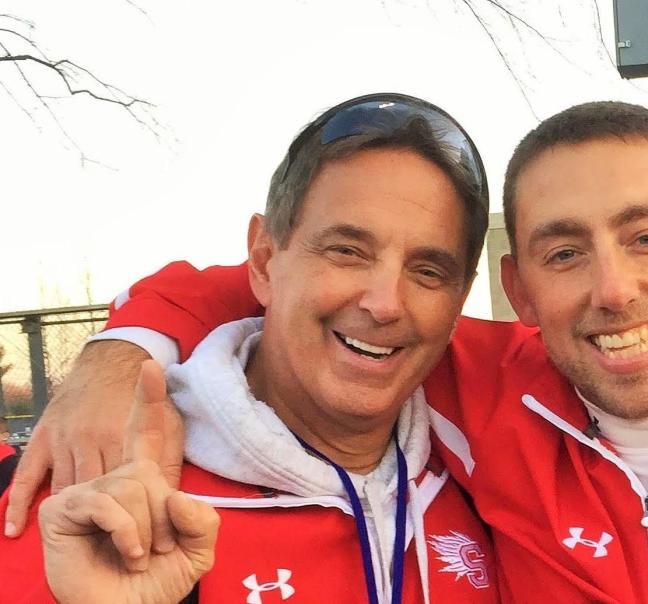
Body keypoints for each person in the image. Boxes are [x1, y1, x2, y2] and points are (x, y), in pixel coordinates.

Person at [9, 101, 648, 601]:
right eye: (562, 252)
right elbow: (297, 287)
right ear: (517, 288)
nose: (612, 289)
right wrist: (122, 351)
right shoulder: (487, 388)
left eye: (647, 236)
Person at [2, 94, 499, 603]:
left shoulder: (491, 457)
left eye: (428, 271)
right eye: (346, 251)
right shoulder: (85, 496)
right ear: (263, 262)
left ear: (459, 299)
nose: (385, 303)